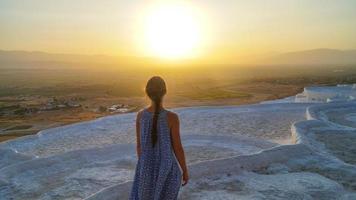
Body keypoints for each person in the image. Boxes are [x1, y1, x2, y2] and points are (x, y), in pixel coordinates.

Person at [130, 76, 189, 200]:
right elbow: (177, 148)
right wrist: (184, 170)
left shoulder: (140, 116)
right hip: (166, 169)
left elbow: (139, 146)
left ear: (147, 92)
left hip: (145, 167)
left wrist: (145, 164)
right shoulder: (172, 118)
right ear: (165, 92)